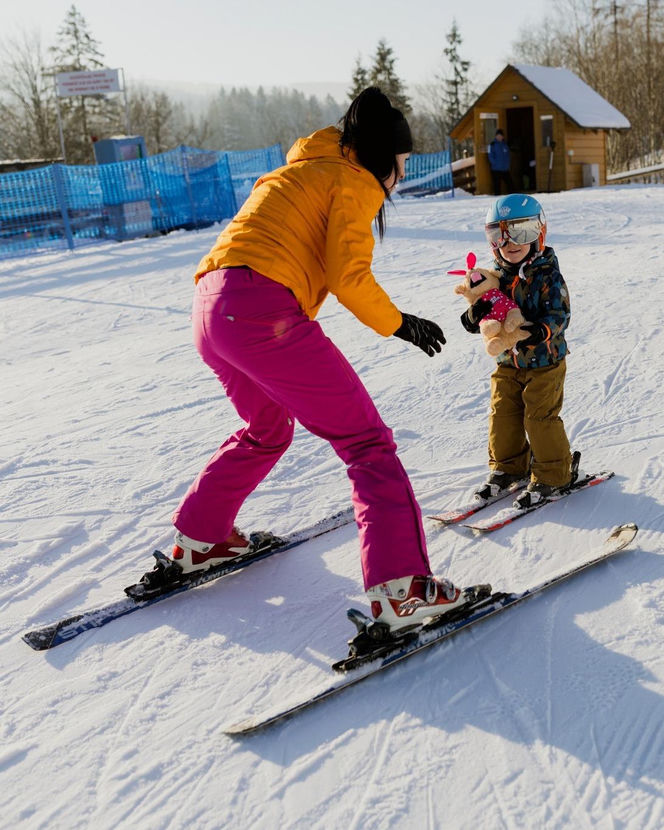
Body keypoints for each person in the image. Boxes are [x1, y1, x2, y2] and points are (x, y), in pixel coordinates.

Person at [167, 87, 466, 632]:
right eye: (400, 163)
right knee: (367, 443)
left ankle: (201, 539)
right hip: (260, 310)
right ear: (382, 157)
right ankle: (404, 589)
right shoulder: (355, 180)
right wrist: (400, 323)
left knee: (266, 428)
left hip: (210, 308)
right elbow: (346, 273)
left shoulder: (307, 167)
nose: (399, 175)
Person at [460, 193, 574, 509]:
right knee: (503, 414)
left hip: (544, 362)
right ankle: (509, 468)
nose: (509, 243)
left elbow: (560, 314)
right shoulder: (494, 277)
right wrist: (473, 316)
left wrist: (540, 330)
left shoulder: (547, 274)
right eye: (498, 234)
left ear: (539, 234)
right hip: (507, 362)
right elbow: (483, 316)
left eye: (520, 232)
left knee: (539, 417)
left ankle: (554, 475)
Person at [488, 129, 513, 196]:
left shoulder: (505, 145)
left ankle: (512, 197)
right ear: (496, 136)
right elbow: (490, 156)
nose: (499, 137)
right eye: (498, 136)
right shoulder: (492, 145)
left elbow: (508, 156)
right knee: (497, 185)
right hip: (496, 169)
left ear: (503, 137)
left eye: (500, 136)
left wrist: (507, 165)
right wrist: (494, 163)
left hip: (505, 169)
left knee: (510, 184)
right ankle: (496, 198)